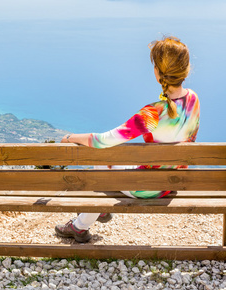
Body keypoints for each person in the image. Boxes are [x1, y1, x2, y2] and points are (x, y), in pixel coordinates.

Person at [55, 36, 200, 243]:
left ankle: (80, 225)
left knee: (97, 157)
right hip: (173, 181)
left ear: (158, 73)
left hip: (147, 188)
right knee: (109, 163)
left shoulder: (153, 114)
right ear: (185, 71)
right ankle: (96, 212)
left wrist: (70, 138)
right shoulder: (193, 100)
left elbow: (103, 140)